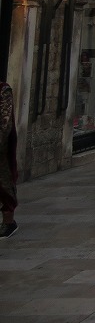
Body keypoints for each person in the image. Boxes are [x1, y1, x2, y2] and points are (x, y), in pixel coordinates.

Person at [0, 80, 18, 238]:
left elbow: (5, 122)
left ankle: (8, 221)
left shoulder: (3, 90)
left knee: (4, 184)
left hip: (1, 149)